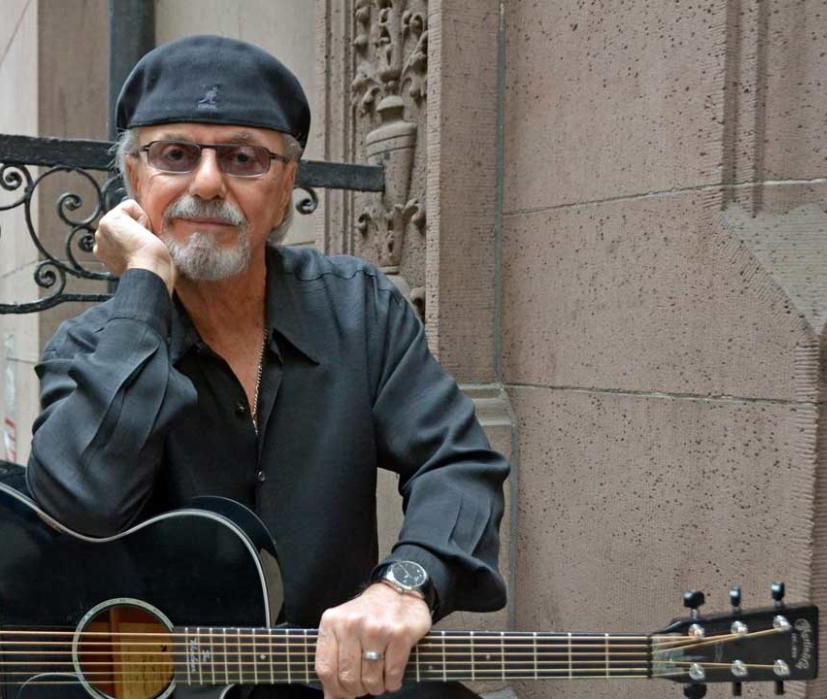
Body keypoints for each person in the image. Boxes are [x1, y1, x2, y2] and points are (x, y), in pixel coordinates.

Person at [28, 35, 508, 699]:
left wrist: (407, 584)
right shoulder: (90, 347)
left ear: (284, 190)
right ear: (135, 181)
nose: (205, 181)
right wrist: (146, 275)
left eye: (244, 158)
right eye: (175, 154)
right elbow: (83, 505)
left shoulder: (360, 309)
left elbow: (456, 461)